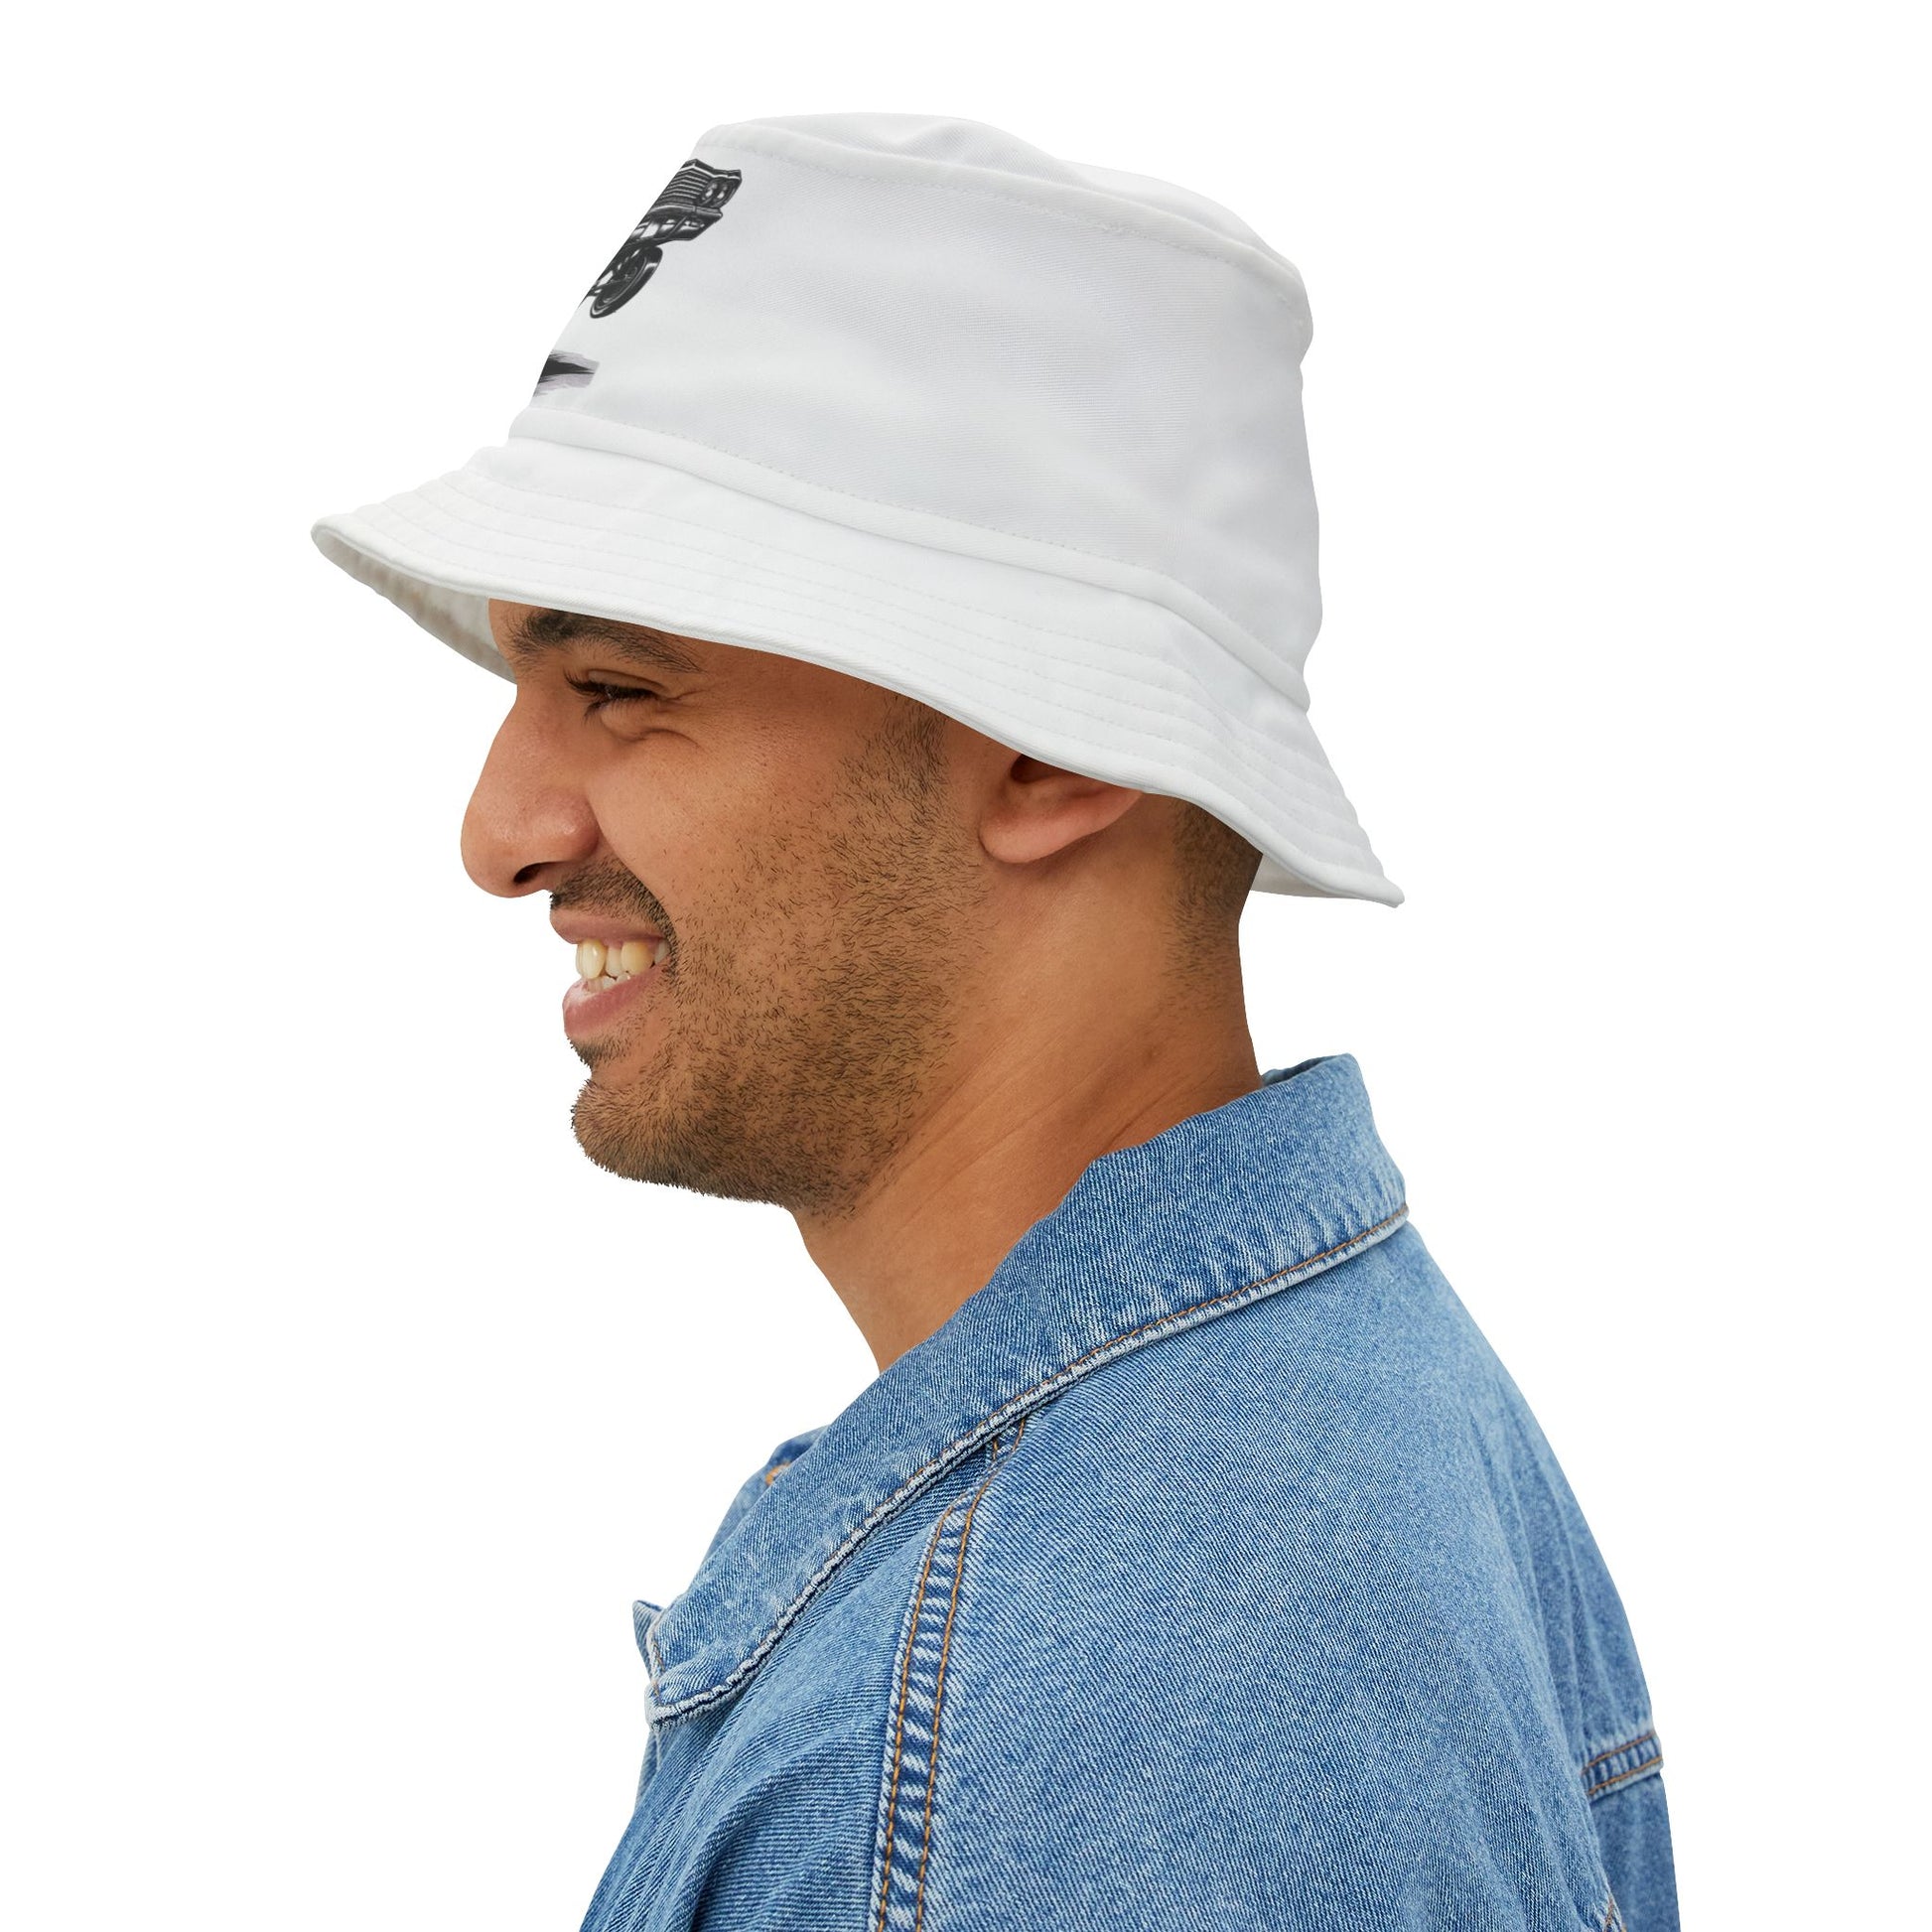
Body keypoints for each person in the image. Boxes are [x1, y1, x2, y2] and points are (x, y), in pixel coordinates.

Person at [313, 111, 1678, 1931]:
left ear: (1050, 749)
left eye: (621, 688)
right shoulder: (1328, 1421)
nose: (499, 832)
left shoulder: (1046, 1736)